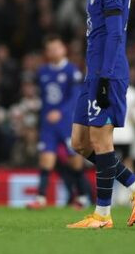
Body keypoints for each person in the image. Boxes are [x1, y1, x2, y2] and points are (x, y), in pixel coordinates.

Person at [64, 0, 135, 229]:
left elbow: (114, 35)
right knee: (79, 142)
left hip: (106, 74)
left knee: (101, 141)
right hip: (93, 74)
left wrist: (105, 78)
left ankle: (103, 214)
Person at [26, 34, 91, 209]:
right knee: (46, 159)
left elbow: (76, 96)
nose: (53, 51)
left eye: (56, 47)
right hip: (48, 124)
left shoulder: (72, 71)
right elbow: (42, 96)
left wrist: (60, 112)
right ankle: (40, 198)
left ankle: (83, 196)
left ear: (63, 49)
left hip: (67, 123)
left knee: (75, 161)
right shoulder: (43, 71)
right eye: (50, 49)